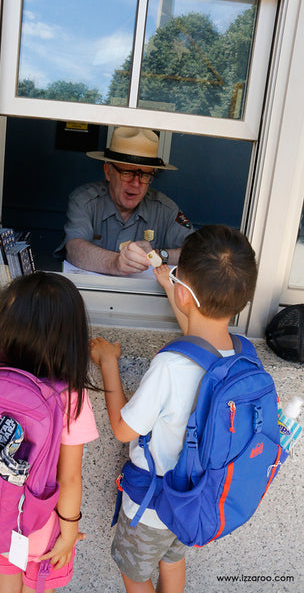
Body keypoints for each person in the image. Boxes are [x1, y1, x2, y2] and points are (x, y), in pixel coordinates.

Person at [90, 225, 258, 593]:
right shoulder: (241, 353)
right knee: (174, 560)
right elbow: (199, 335)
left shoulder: (170, 367)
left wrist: (107, 362)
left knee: (135, 576)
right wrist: (172, 287)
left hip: (152, 506)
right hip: (196, 499)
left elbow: (123, 429)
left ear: (186, 293)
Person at [0, 271, 99, 593]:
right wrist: (68, 532)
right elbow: (69, 478)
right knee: (39, 586)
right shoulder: (70, 397)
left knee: (7, 579)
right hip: (43, 522)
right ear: (71, 335)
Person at [59, 126, 193, 276]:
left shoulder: (165, 209)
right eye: (127, 172)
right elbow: (74, 248)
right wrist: (116, 263)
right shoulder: (84, 201)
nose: (136, 184)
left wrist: (158, 254)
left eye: (144, 175)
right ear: (108, 171)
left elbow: (196, 253)